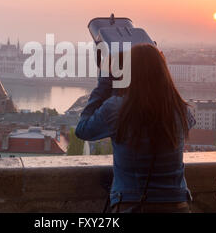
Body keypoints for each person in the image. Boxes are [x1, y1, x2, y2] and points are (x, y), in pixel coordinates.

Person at [75, 43, 196, 213]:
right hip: (177, 205)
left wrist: (105, 81)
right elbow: (188, 121)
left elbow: (82, 129)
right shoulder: (179, 109)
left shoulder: (117, 108)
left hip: (133, 204)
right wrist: (160, 66)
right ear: (162, 71)